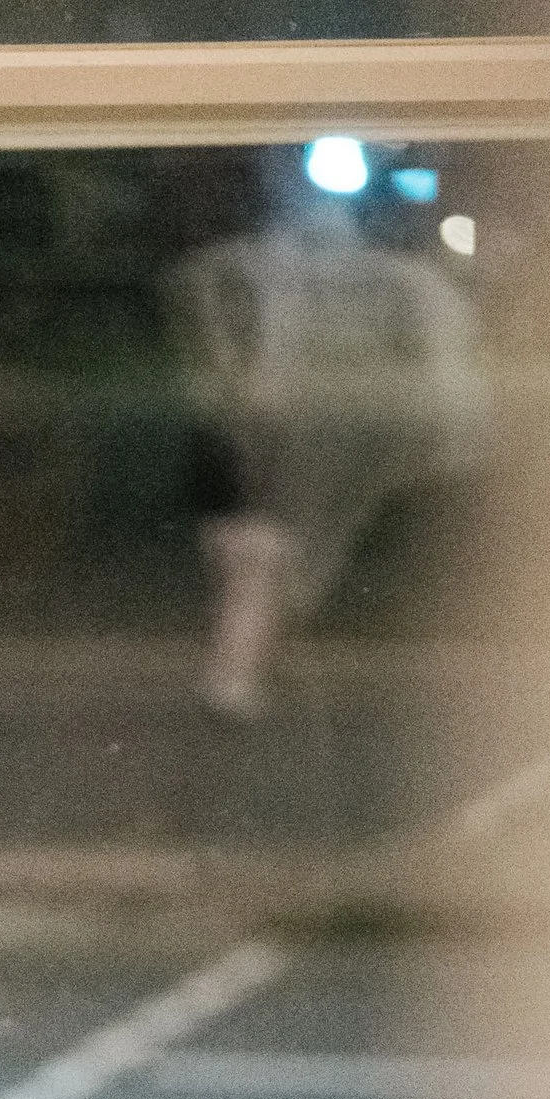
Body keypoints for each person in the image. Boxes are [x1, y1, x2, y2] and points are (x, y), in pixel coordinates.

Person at [172, 199, 492, 723]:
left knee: (254, 585)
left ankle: (246, 674)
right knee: (255, 586)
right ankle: (230, 685)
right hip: (248, 497)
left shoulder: (243, 386)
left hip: (237, 492)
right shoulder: (262, 396)